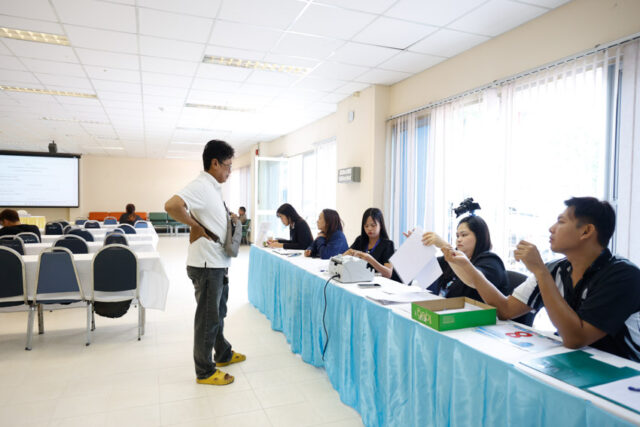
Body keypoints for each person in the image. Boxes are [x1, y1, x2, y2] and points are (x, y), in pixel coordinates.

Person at [443, 197, 640, 361]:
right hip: (576, 362)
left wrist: (539, 270)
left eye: (561, 222)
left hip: (623, 374)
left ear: (586, 231)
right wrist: (469, 269)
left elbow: (575, 338)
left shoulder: (623, 276)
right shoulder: (555, 268)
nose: (551, 229)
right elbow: (505, 310)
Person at [164, 139, 246, 386]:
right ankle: (205, 371)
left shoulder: (213, 188)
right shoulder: (200, 185)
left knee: (218, 313)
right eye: (228, 166)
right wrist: (195, 226)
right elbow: (172, 206)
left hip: (217, 263)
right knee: (208, 319)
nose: (229, 171)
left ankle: (222, 353)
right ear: (215, 163)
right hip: (206, 265)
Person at [421, 215, 509, 301]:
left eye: (464, 235)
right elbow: (427, 265)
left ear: (479, 237)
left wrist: (444, 245)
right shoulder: (452, 258)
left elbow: (475, 280)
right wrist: (420, 243)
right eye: (457, 236)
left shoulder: (491, 261)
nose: (459, 239)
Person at [344, 208, 396, 279]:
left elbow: (388, 274)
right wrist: (347, 253)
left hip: (378, 283)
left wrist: (370, 259)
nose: (369, 229)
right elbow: (344, 259)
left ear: (380, 225)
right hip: (358, 279)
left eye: (373, 225)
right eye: (366, 226)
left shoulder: (388, 244)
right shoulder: (360, 240)